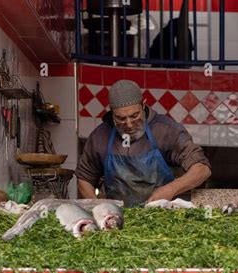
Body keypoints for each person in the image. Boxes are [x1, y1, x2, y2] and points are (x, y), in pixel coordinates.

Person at [76, 79, 211, 207]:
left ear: (143, 105)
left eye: (134, 116)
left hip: (162, 218)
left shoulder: (166, 130)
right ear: (112, 114)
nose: (129, 124)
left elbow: (202, 169)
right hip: (116, 221)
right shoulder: (99, 137)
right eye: (121, 118)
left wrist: (170, 189)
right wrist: (98, 208)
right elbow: (84, 178)